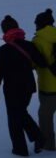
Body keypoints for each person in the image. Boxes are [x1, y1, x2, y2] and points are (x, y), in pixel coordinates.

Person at [0, 15, 47, 156]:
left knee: (14, 118)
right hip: (28, 87)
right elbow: (42, 63)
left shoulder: (4, 49)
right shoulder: (29, 45)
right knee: (20, 113)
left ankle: (23, 147)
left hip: (11, 89)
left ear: (4, 31)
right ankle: (36, 138)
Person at [33, 9, 56, 151]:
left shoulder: (37, 41)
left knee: (45, 117)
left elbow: (33, 63)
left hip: (49, 88)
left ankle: (49, 144)